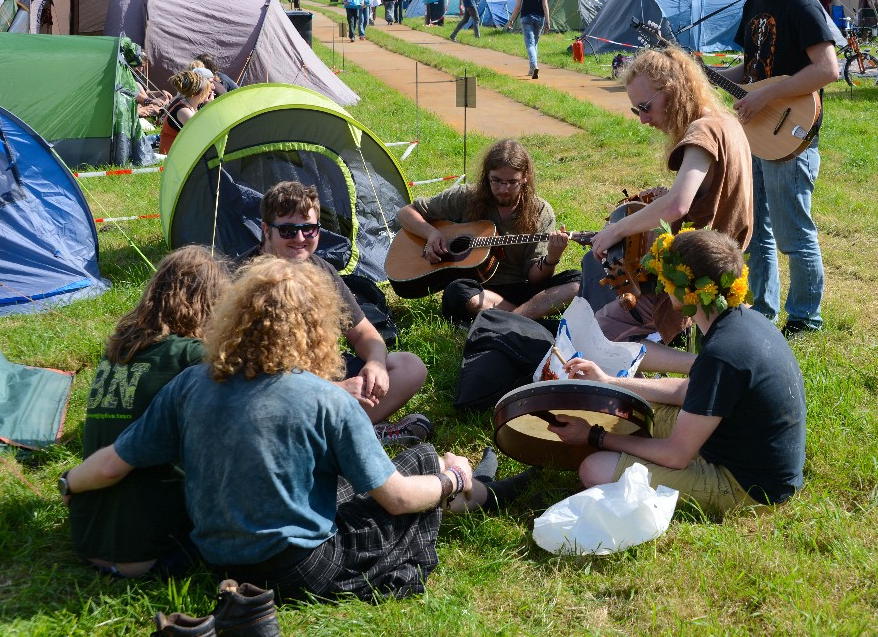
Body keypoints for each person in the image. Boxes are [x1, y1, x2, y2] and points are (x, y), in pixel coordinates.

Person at [59, 258, 535, 602]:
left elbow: (111, 462)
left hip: (217, 560)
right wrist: (448, 476)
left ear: (233, 316)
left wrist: (68, 482)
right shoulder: (327, 397)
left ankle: (472, 491)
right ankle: (473, 492)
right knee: (421, 460)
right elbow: (397, 499)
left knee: (351, 481)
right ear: (316, 326)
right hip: (299, 569)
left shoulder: (190, 383)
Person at [549, 229, 806, 518]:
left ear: (688, 289)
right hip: (729, 442)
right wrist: (609, 383)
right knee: (621, 414)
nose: (661, 285)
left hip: (746, 485)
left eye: (665, 278)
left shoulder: (723, 352)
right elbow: (688, 391)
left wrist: (594, 437)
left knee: (594, 468)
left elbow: (676, 455)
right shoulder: (740, 321)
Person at [67, 246, 231, 578]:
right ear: (210, 303)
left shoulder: (117, 353)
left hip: (87, 542)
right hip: (149, 554)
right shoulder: (193, 356)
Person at [587, 48, 753, 367]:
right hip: (722, 265)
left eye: (646, 107)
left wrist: (615, 230)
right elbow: (708, 194)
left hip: (696, 272)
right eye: (637, 111)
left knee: (597, 336)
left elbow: (677, 206)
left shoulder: (702, 131)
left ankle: (695, 370)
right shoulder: (725, 122)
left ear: (674, 89)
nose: (645, 119)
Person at [713, 0, 839, 336]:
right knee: (756, 232)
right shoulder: (754, 4)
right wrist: (704, 73)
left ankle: (805, 319)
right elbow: (752, 71)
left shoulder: (799, 2)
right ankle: (762, 311)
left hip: (790, 136)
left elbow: (827, 69)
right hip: (757, 135)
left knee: (794, 236)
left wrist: (767, 97)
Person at [248, 181, 429, 443]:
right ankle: (350, 435)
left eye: (308, 229)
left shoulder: (322, 269)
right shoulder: (247, 280)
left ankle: (340, 432)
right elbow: (259, 373)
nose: (300, 239)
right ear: (266, 230)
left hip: (325, 372)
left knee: (409, 366)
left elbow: (363, 332)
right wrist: (336, 391)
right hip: (278, 389)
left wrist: (375, 363)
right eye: (287, 230)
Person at [396, 139, 581, 324]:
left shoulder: (540, 211)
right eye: (497, 181)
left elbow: (535, 278)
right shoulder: (467, 197)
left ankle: (511, 321)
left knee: (579, 280)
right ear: (487, 176)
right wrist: (431, 233)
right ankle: (528, 322)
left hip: (522, 291)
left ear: (525, 177)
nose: (503, 189)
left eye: (512, 182)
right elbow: (406, 213)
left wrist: (552, 258)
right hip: (478, 290)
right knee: (457, 291)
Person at [507, 0, 550, 79]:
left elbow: (517, 6)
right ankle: (531, 69)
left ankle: (534, 66)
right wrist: (548, 22)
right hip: (539, 18)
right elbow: (545, 5)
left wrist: (511, 20)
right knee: (534, 43)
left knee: (530, 44)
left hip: (526, 18)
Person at [158, 69, 213, 154]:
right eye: (207, 90)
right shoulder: (183, 111)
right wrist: (209, 108)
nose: (210, 92)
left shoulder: (190, 107)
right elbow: (202, 134)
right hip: (170, 157)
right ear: (199, 93)